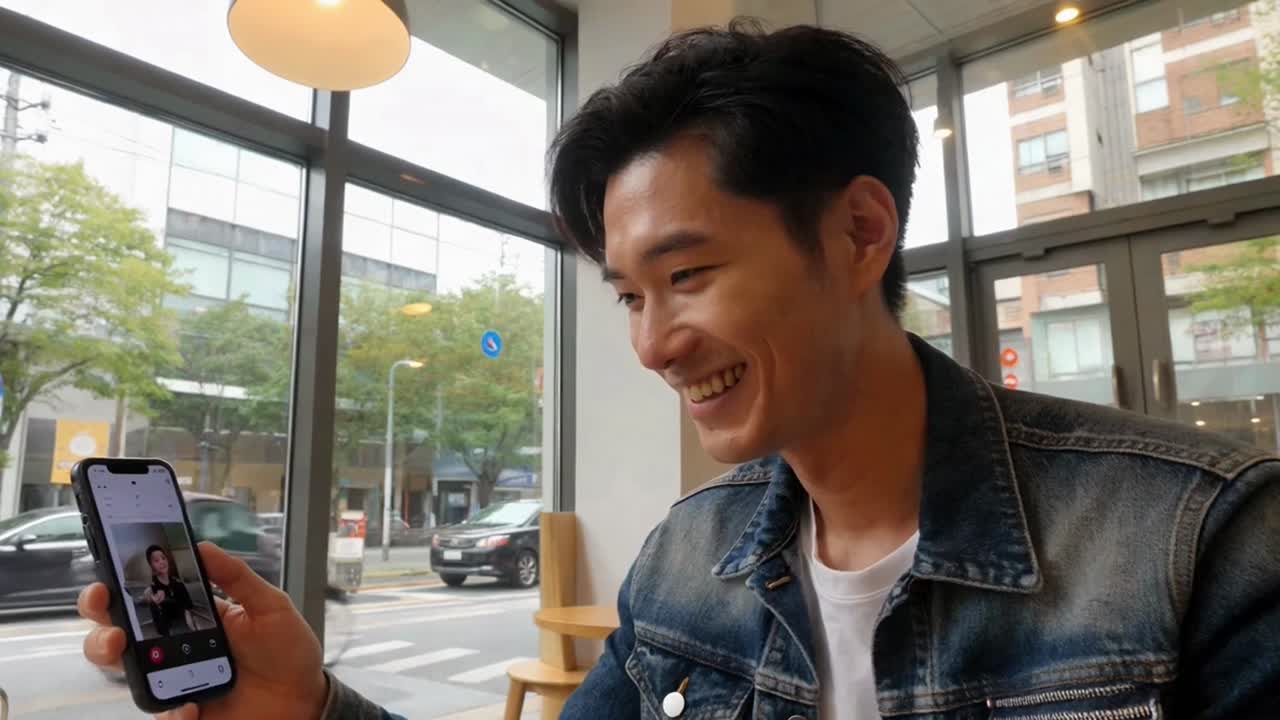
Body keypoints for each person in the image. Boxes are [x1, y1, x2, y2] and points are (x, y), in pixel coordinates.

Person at [80, 21, 1280, 720]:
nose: (653, 344)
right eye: (628, 295)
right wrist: (308, 705)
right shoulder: (688, 560)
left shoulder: (1202, 541)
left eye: (689, 274)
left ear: (859, 234)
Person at [142, 544, 196, 638]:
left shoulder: (179, 584)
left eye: (163, 558)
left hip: (185, 628)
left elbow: (188, 608)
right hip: (169, 633)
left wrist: (192, 628)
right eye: (156, 560)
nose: (162, 562)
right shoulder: (151, 590)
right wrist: (152, 601)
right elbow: (160, 625)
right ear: (151, 565)